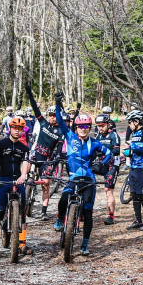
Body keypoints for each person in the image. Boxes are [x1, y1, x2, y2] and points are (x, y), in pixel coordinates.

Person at [53, 93, 112, 255]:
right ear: (76, 127)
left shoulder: (94, 143)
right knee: (63, 199)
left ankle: (85, 244)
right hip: (73, 178)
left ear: (89, 128)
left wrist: (102, 164)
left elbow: (109, 153)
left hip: (88, 181)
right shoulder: (70, 137)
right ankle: (60, 219)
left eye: (86, 127)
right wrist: (58, 104)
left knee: (87, 212)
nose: (83, 129)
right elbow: (59, 121)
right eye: (80, 126)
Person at [0, 116, 31, 256]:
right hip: (3, 180)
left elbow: (25, 163)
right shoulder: (0, 144)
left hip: (18, 180)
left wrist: (23, 176)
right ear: (9, 129)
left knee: (23, 213)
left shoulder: (24, 147)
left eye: (20, 129)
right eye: (15, 128)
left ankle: (23, 244)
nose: (17, 131)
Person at [25, 82, 64, 221]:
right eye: (51, 115)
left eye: (55, 115)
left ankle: (43, 211)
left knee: (46, 184)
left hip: (47, 159)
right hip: (36, 154)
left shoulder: (61, 131)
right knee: (24, 172)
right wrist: (29, 94)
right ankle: (18, 200)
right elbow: (35, 108)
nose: (52, 117)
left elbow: (59, 148)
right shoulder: (43, 123)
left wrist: (58, 156)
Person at [123, 110, 143, 230]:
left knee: (141, 196)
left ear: (137, 121)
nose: (129, 124)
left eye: (130, 122)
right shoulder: (134, 133)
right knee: (134, 195)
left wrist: (133, 151)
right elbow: (133, 148)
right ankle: (138, 220)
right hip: (133, 167)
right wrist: (128, 153)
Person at [93, 114, 121, 225]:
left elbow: (116, 151)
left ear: (108, 124)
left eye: (103, 125)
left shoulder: (114, 135)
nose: (100, 128)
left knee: (108, 190)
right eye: (98, 126)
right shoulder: (97, 137)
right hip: (101, 164)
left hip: (112, 165)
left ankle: (111, 216)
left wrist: (105, 153)